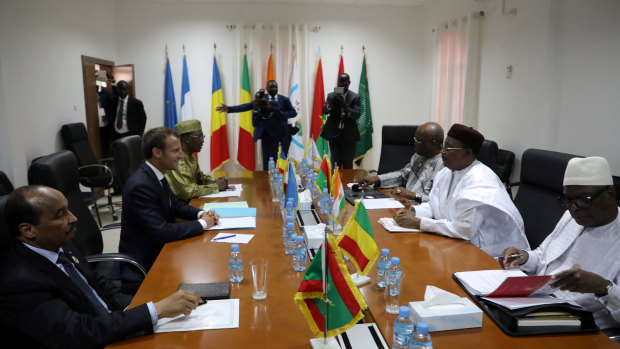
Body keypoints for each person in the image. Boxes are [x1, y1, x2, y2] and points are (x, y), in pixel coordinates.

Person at [0, 185, 203, 348]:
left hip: (109, 328)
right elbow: (77, 333)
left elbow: (99, 284)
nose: (74, 218)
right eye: (60, 215)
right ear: (28, 230)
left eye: (68, 209)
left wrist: (139, 309)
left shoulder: (61, 244)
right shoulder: (19, 282)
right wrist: (155, 310)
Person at [500, 156, 620, 329]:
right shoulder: (572, 217)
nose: (574, 209)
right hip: (535, 303)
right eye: (568, 201)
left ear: (610, 194)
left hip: (578, 325)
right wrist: (525, 257)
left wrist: (603, 287)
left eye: (583, 200)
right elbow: (545, 256)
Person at [393, 123, 529, 256]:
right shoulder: (446, 173)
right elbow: (435, 206)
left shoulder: (481, 180)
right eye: (444, 146)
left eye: (449, 148)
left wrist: (419, 222)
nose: (442, 152)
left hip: (490, 253)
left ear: (467, 153)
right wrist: (411, 213)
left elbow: (463, 230)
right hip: (455, 243)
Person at [119, 127, 219, 282]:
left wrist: (200, 214)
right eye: (175, 150)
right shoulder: (140, 185)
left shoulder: (157, 174)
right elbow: (162, 231)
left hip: (164, 248)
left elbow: (176, 205)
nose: (181, 155)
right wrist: (203, 224)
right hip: (147, 262)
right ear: (157, 153)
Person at [216, 80, 297, 170]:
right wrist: (229, 109)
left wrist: (274, 109)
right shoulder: (262, 99)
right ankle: (266, 181)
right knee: (267, 162)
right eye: (271, 87)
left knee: (281, 162)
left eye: (275, 87)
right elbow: (246, 106)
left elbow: (293, 113)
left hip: (281, 135)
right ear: (267, 89)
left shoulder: (284, 100)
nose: (274, 89)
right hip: (267, 135)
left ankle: (281, 182)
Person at [358, 122, 444, 203]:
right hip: (404, 202)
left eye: (419, 141)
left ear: (434, 143)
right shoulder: (419, 155)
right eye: (415, 139)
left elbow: (437, 202)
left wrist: (414, 195)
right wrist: (376, 178)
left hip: (422, 210)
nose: (415, 143)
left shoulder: (444, 165)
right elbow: (403, 176)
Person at [165, 119, 228, 201]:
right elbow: (186, 191)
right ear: (187, 139)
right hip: (178, 208)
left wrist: (214, 181)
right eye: (199, 136)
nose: (202, 140)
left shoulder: (190, 155)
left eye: (203, 136)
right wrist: (215, 187)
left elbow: (199, 178)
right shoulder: (177, 159)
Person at [320, 73, 361, 169]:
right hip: (334, 136)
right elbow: (325, 111)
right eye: (340, 82)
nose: (342, 84)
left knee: (348, 165)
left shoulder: (355, 97)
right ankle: (335, 184)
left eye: (344, 82)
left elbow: (357, 114)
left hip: (349, 136)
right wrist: (330, 104)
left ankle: (347, 184)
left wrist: (346, 107)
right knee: (334, 164)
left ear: (349, 83)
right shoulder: (331, 95)